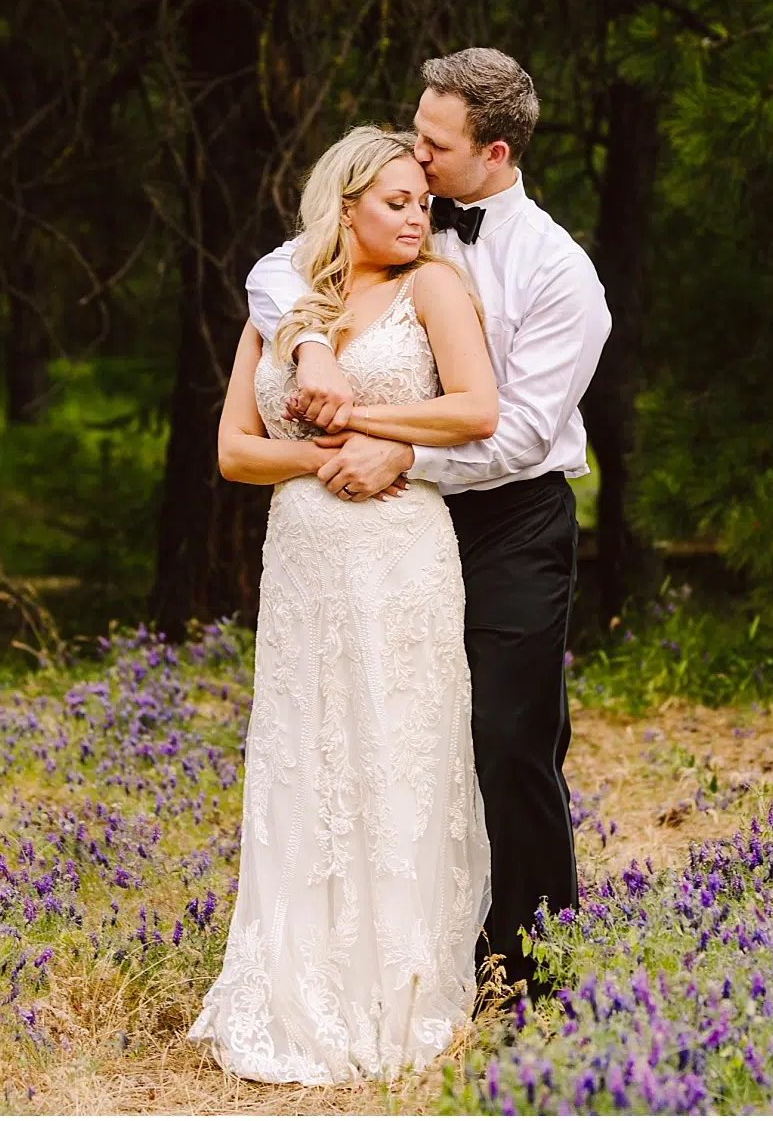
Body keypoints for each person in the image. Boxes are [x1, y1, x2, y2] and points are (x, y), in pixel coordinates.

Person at [246, 48, 612, 1000]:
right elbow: (275, 276)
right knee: (394, 733)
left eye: (433, 144)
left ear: (493, 152)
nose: (415, 152)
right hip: (395, 523)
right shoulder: (399, 212)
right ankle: (411, 954)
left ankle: (529, 969)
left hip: (511, 522)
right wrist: (316, 341)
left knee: (508, 737)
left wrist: (401, 452)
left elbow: (521, 429)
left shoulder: (561, 273)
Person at [187, 126, 498, 1085]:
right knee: (308, 753)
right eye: (397, 202)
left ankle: (401, 988)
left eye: (422, 201)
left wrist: (357, 418)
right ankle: (297, 984)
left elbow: (475, 409)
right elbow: (238, 450)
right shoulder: (286, 304)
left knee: (396, 749)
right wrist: (325, 456)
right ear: (347, 204)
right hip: (307, 558)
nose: (418, 216)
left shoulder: (435, 287)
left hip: (399, 552)